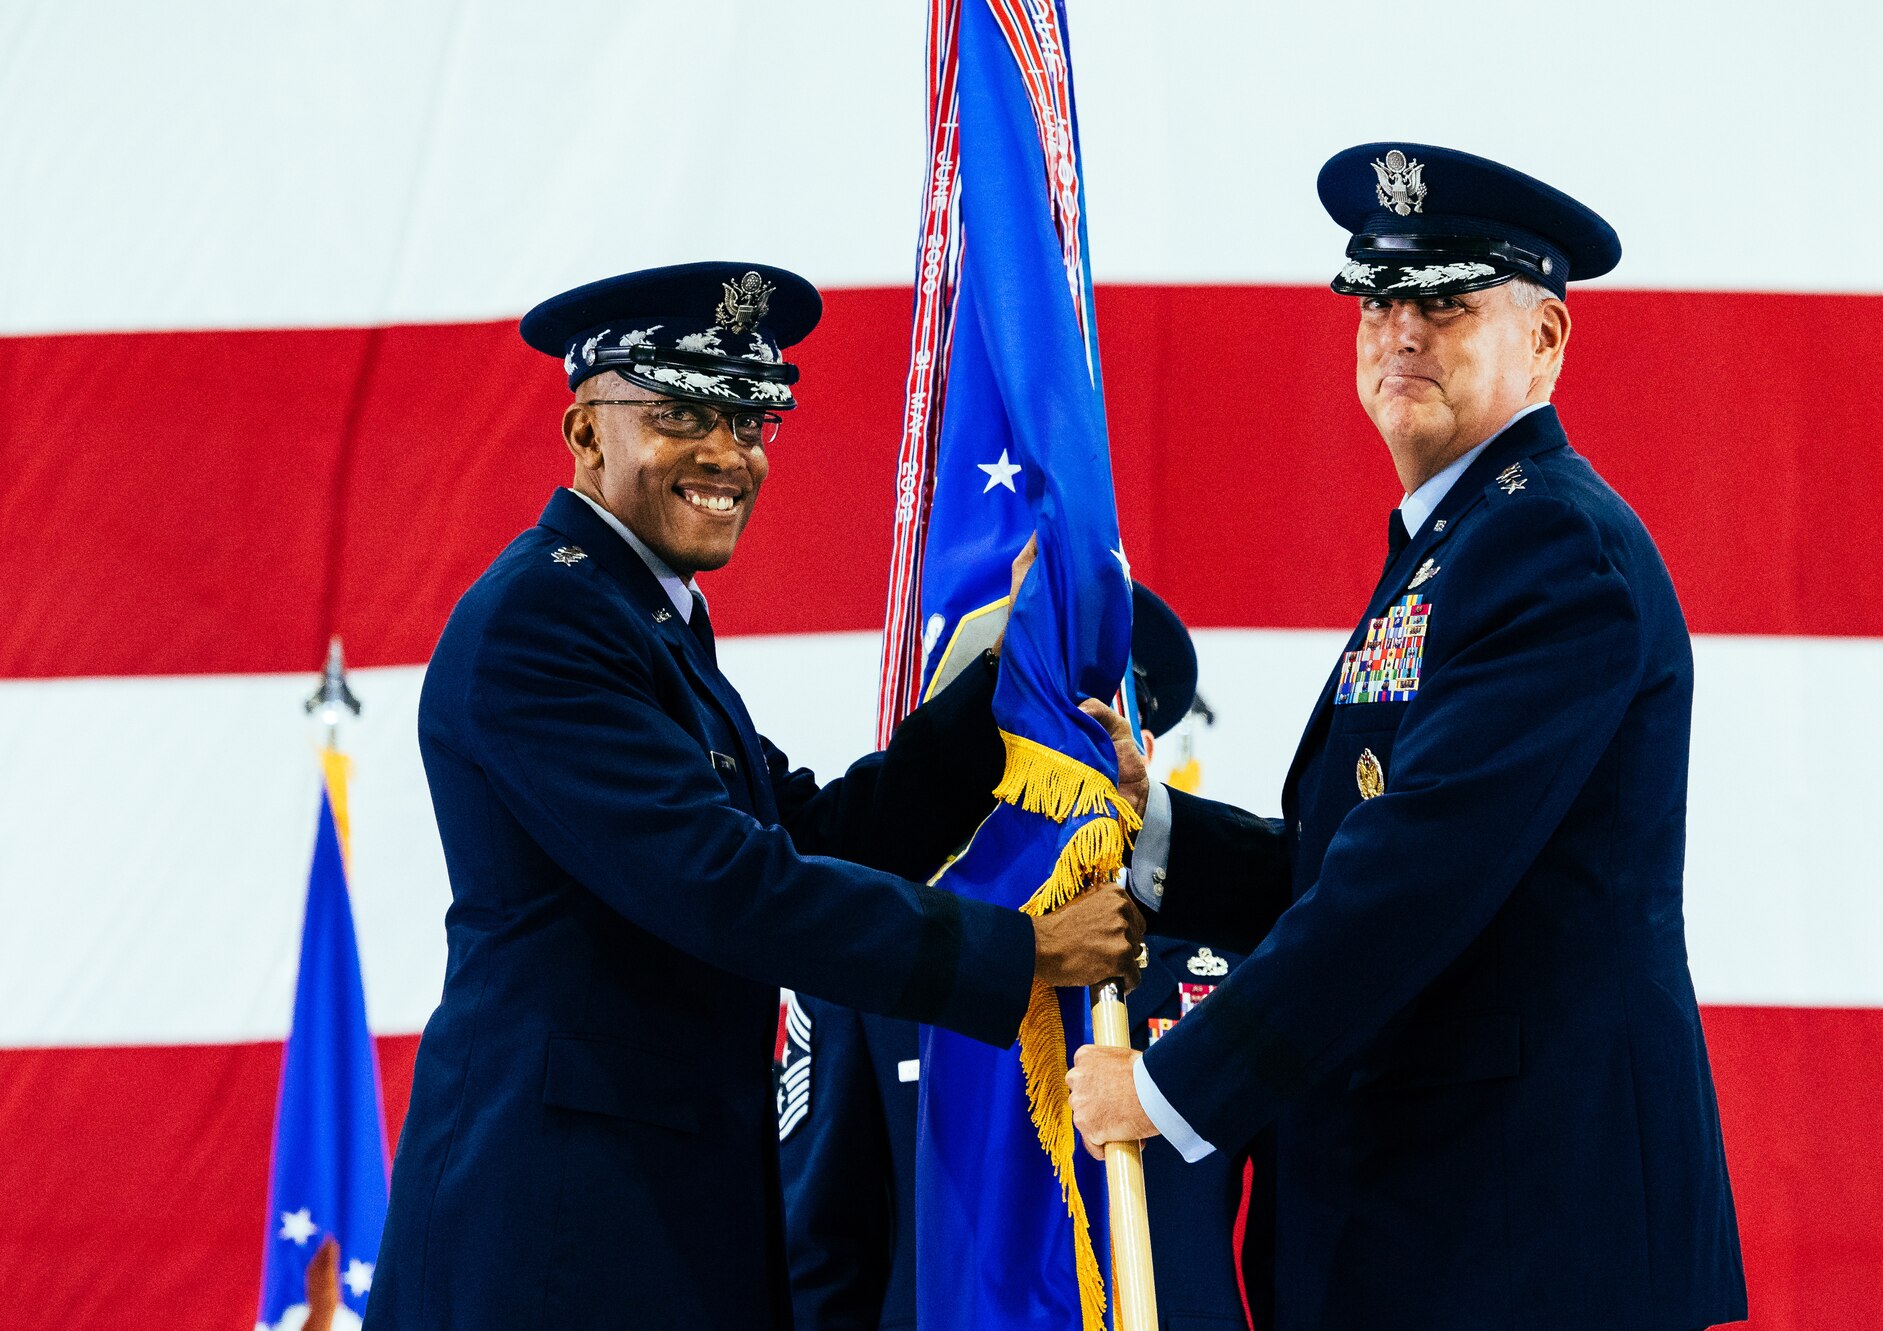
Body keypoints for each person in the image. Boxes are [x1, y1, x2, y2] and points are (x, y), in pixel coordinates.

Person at [365, 262, 1144, 1331]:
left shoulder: (641, 617)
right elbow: (727, 888)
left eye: (751, 416)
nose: (728, 453)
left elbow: (820, 832)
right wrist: (1016, 951)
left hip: (650, 1209)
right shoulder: (542, 622)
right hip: (552, 1233)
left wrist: (1007, 684)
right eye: (683, 412)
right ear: (586, 431)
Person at [1066, 145, 1748, 1330]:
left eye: (1446, 299)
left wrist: (1170, 1087)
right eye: (1378, 298)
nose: (1401, 331)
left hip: (1520, 1232)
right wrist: (1153, 822)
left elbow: (1412, 874)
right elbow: (1357, 850)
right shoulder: (1460, 542)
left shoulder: (1547, 550)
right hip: (1446, 1221)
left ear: (1544, 340)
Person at [779, 585, 1251, 1331]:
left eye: (1087, 738)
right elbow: (823, 1257)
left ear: (1144, 753)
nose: (1059, 769)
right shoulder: (881, 957)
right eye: (1025, 741)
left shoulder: (1231, 965)